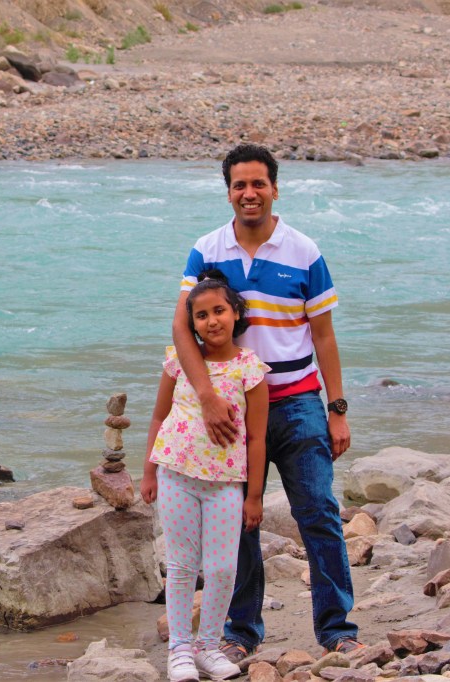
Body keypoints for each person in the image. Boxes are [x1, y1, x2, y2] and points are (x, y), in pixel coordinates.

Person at [171, 143, 362, 661]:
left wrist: (337, 410)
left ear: (275, 188)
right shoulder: (207, 250)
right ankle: (241, 633)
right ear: (228, 192)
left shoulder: (304, 251)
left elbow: (323, 335)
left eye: (258, 184)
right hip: (229, 413)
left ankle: (337, 628)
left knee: (319, 512)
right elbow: (181, 327)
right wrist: (207, 398)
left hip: (298, 403)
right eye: (240, 185)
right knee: (237, 523)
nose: (249, 193)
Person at [142, 271, 268, 682]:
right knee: (181, 565)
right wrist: (149, 471)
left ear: (236, 313)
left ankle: (208, 646)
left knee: (222, 569)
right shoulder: (178, 361)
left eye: (219, 311)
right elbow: (159, 416)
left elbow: (256, 437)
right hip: (176, 475)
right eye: (201, 315)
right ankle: (179, 649)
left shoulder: (250, 369)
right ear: (191, 323)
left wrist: (254, 496)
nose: (212, 321)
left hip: (226, 485)